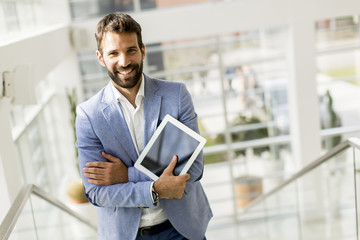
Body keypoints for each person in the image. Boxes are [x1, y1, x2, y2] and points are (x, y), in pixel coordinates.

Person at [75, 12, 213, 240]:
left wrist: (126, 174)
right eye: (113, 53)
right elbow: (96, 192)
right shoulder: (89, 116)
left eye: (131, 50)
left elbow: (195, 167)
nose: (124, 61)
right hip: (127, 235)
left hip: (182, 229)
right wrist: (155, 189)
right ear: (101, 58)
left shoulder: (175, 96)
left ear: (143, 51)